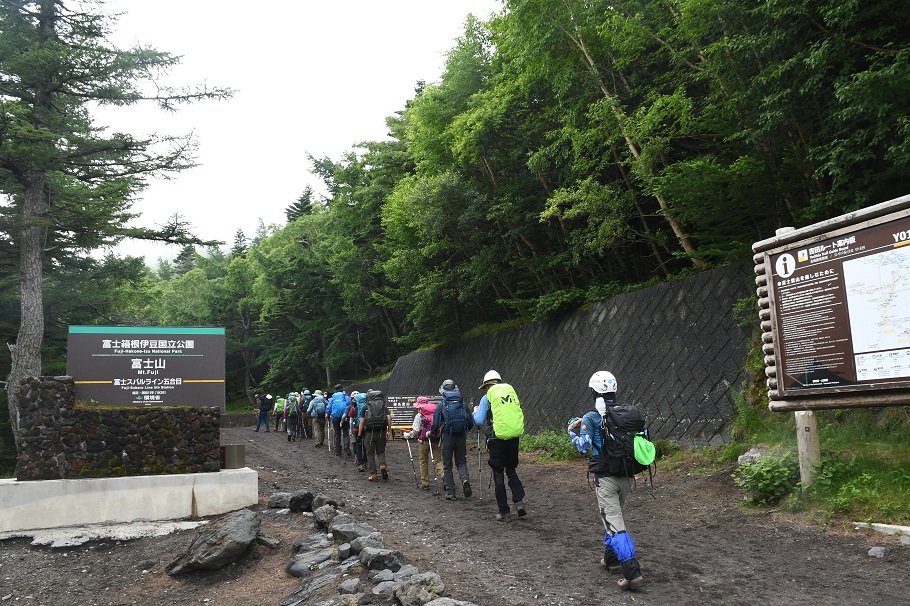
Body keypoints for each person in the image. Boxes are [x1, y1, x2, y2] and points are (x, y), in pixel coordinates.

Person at [567, 371, 644, 591]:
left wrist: (571, 431)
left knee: (615, 524)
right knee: (613, 519)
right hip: (627, 476)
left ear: (594, 391)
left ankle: (632, 571)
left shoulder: (592, 417)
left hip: (606, 479)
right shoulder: (627, 414)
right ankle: (610, 561)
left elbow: (583, 447)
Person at [472, 370, 526, 522]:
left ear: (487, 385)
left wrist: (475, 412)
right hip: (513, 437)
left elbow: (480, 420)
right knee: (511, 469)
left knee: (498, 474)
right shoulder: (509, 393)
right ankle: (519, 502)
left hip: (497, 439)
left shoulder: (486, 397)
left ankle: (504, 512)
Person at [432, 379, 474, 501]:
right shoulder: (462, 404)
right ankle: (465, 479)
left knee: (447, 465)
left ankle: (450, 492)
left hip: (447, 437)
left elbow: (435, 424)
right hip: (461, 436)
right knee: (461, 462)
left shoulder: (442, 405)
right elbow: (470, 422)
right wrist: (464, 430)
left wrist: (434, 432)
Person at [403, 396, 444, 490]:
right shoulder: (436, 412)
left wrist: (407, 435)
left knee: (423, 462)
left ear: (419, 406)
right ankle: (445, 477)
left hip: (423, 441)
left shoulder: (419, 415)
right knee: (438, 461)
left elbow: (415, 431)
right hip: (436, 440)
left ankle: (425, 483)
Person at [358, 388, 392, 481]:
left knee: (370, 453)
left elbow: (361, 422)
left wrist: (359, 435)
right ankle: (382, 465)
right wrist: (388, 431)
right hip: (382, 431)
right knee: (381, 451)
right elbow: (389, 419)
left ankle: (374, 474)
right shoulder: (384, 406)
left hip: (369, 433)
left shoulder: (366, 407)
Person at [327, 384, 351, 457]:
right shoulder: (346, 397)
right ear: (342, 389)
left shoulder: (332, 398)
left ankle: (338, 451)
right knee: (345, 432)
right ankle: (346, 446)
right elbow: (350, 405)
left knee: (337, 433)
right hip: (345, 417)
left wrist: (327, 414)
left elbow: (329, 408)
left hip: (335, 418)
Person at [351, 391, 368, 471]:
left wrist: (351, 429)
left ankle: (360, 463)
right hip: (366, 427)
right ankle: (366, 462)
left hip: (357, 428)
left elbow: (351, 418)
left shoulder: (354, 407)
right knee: (366, 444)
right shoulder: (367, 406)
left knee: (358, 445)